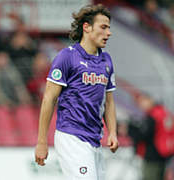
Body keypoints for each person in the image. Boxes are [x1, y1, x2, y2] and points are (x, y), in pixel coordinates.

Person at [34, 4, 118, 180]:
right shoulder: (67, 56)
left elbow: (109, 101)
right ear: (86, 27)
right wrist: (42, 141)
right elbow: (49, 99)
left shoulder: (107, 60)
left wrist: (113, 132)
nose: (108, 33)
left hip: (95, 139)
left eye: (109, 28)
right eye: (103, 27)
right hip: (71, 136)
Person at [128, 93, 174, 180]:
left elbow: (143, 135)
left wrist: (131, 131)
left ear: (149, 100)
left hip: (153, 156)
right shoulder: (163, 112)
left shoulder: (153, 115)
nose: (141, 105)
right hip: (165, 154)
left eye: (142, 102)